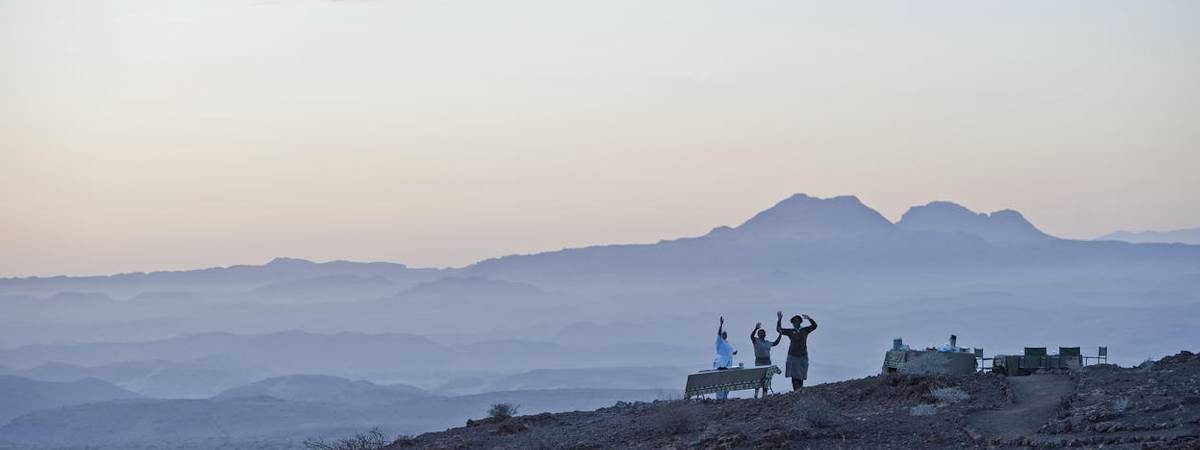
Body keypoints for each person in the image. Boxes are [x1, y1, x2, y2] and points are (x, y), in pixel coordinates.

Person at [776, 310, 817, 392]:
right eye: (794, 322)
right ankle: (796, 391)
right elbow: (779, 329)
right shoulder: (790, 331)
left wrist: (809, 318)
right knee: (793, 375)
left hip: (803, 355)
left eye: (797, 321)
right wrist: (779, 319)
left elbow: (814, 326)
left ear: (800, 322)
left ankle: (800, 390)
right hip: (792, 355)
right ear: (792, 323)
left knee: (801, 375)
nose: (796, 323)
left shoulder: (805, 330)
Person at [750, 321, 782, 398]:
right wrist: (755, 328)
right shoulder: (756, 340)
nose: (762, 334)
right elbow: (751, 336)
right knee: (758, 377)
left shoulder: (767, 342)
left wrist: (780, 335)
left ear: (765, 334)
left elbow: (775, 343)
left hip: (767, 361)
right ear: (758, 335)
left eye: (763, 333)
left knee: (767, 377)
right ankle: (756, 393)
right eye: (760, 333)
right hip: (759, 361)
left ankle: (765, 394)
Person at [712, 316, 737, 399]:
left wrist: (734, 352)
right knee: (720, 382)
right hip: (721, 364)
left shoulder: (727, 343)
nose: (725, 335)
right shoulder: (719, 341)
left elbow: (730, 352)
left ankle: (724, 398)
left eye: (726, 334)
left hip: (728, 364)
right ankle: (719, 399)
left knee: (727, 383)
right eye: (723, 334)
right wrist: (721, 324)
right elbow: (719, 333)